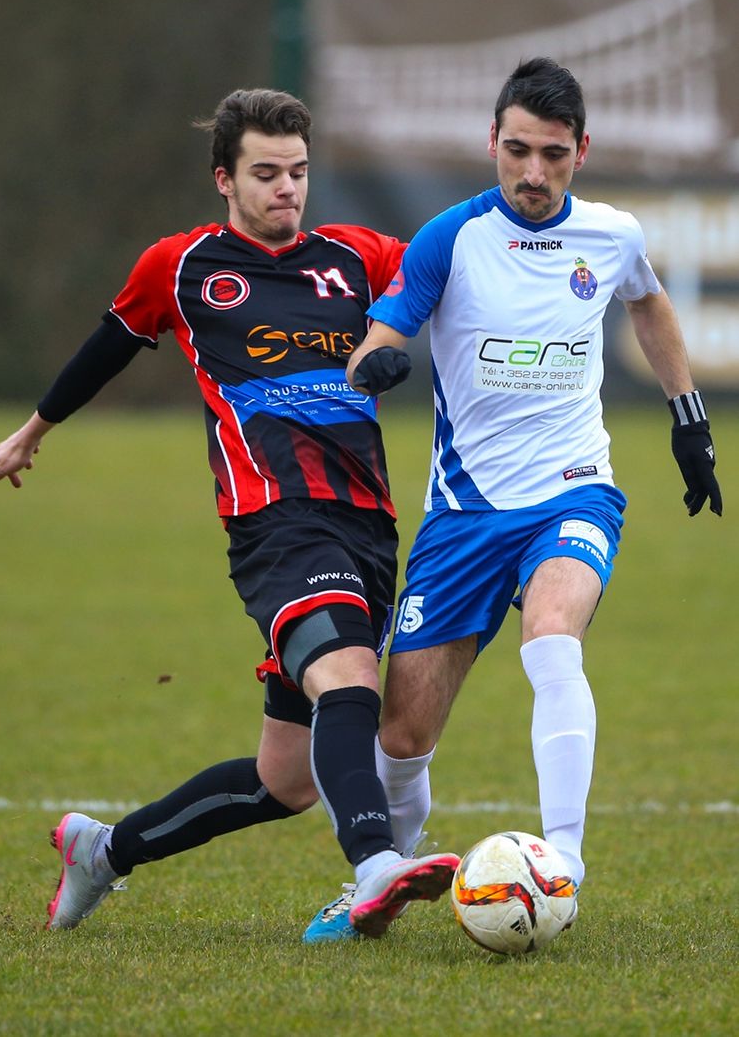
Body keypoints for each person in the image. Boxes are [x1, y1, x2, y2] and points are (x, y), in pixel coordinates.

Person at [0, 87, 459, 940]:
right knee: (348, 674)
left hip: (368, 525)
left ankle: (103, 851)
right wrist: (32, 431)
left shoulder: (359, 256)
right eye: (267, 173)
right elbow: (110, 343)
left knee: (285, 780)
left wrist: (391, 345)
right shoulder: (180, 264)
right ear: (224, 180)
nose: (288, 188)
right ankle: (375, 866)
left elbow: (437, 279)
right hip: (274, 522)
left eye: (300, 172)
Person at [305, 56, 723, 941]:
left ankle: (561, 862)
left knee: (552, 637)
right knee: (403, 735)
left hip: (575, 491)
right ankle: (378, 885)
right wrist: (375, 360)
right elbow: (385, 330)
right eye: (519, 151)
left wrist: (689, 419)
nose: (535, 173)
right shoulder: (449, 238)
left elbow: (648, 305)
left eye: (555, 155)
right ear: (492, 142)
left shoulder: (611, 235)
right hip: (464, 514)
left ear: (582, 152)